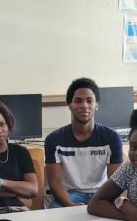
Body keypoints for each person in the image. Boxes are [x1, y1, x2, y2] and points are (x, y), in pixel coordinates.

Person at [44, 77, 123, 207]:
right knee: (53, 213)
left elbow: (115, 181)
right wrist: (69, 205)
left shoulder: (112, 138)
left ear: (96, 105)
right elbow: (55, 182)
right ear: (70, 105)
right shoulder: (54, 140)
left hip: (101, 193)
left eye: (89, 101)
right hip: (70, 194)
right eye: (78, 101)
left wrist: (101, 203)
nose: (84, 106)